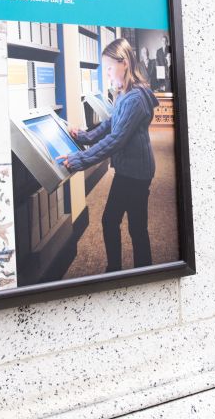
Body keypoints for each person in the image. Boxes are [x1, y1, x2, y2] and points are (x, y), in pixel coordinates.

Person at [57, 38, 158, 271]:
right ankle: (135, 269)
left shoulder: (134, 98)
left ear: (124, 63)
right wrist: (84, 136)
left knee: (122, 223)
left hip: (135, 173)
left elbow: (116, 139)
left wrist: (79, 160)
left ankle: (126, 271)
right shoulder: (127, 93)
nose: (108, 74)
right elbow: (112, 124)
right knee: (126, 223)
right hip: (131, 170)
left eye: (110, 68)